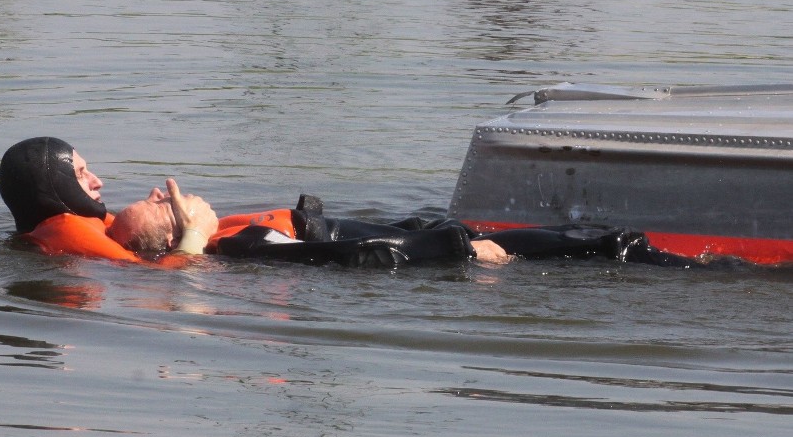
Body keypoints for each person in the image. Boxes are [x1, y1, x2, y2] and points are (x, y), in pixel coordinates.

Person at [107, 190, 694, 269]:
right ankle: (715, 270)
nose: (168, 192)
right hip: (451, 254)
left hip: (429, 233)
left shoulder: (232, 245)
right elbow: (351, 258)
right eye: (165, 205)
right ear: (180, 234)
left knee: (589, 240)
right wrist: (455, 248)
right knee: (603, 246)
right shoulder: (240, 248)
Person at [0, 137, 216, 262]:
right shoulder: (64, 232)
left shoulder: (96, 226)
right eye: (80, 174)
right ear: (55, 187)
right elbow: (167, 275)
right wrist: (195, 232)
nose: (97, 181)